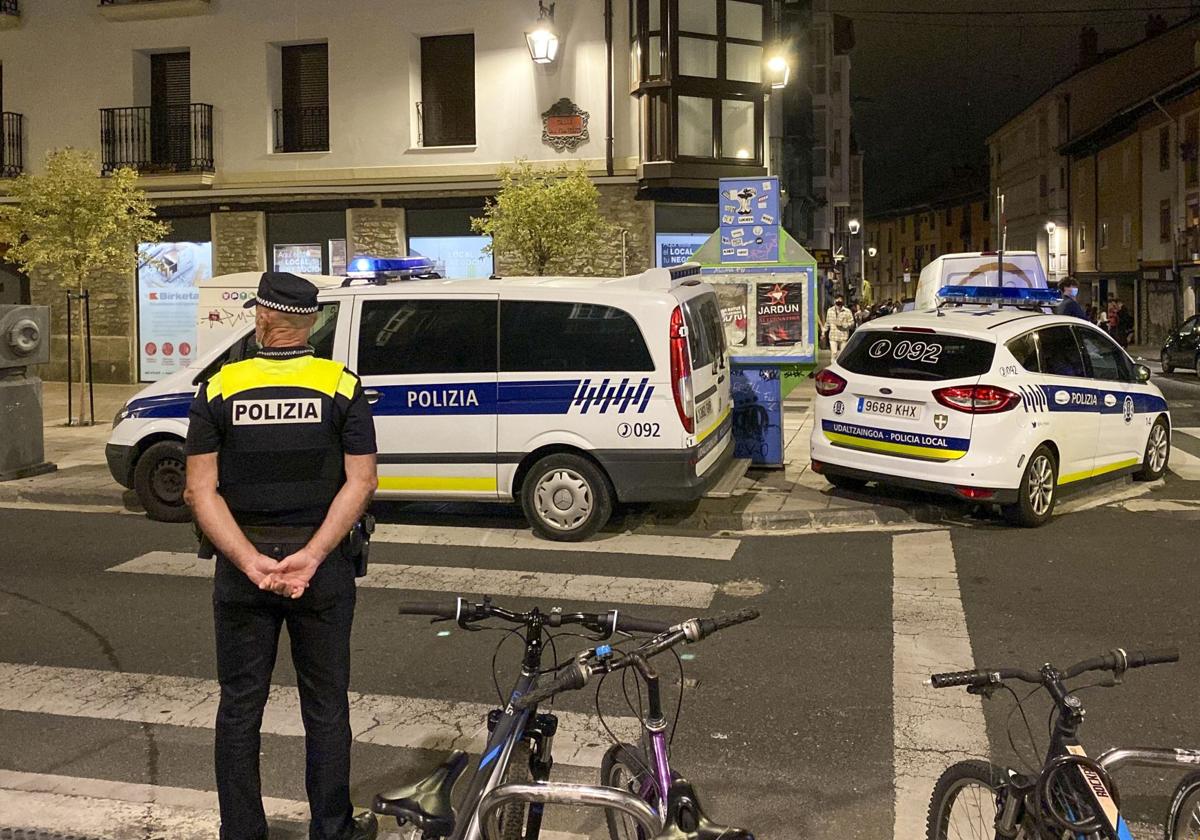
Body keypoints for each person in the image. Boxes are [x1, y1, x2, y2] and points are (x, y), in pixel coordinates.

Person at [184, 272, 380, 840]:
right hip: (321, 571)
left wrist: (250, 562)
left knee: (240, 707)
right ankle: (332, 830)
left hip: (244, 568)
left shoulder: (219, 388)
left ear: (263, 320)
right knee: (326, 706)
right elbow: (361, 481)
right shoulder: (341, 385)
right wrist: (313, 555)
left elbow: (200, 490)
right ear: (311, 323)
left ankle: (242, 832)